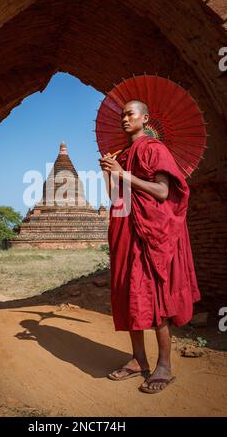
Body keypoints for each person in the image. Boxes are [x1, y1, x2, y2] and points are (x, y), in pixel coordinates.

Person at [99, 100, 201, 393]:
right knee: (130, 296)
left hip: (150, 236)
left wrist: (123, 173)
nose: (124, 118)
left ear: (145, 118)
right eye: (122, 115)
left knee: (155, 298)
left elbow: (162, 191)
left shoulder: (154, 149)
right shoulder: (125, 154)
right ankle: (137, 360)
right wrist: (109, 172)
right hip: (127, 234)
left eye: (129, 113)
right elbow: (116, 199)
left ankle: (164, 366)